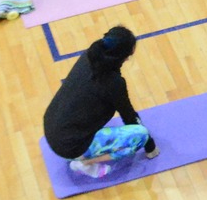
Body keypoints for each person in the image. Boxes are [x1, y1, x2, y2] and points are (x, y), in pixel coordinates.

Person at [45, 27, 156, 177]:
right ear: (122, 57)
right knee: (141, 135)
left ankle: (81, 155)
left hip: (51, 127)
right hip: (70, 147)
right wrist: (150, 146)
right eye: (128, 55)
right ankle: (84, 163)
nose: (128, 59)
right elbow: (129, 116)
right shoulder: (113, 82)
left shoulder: (88, 56)